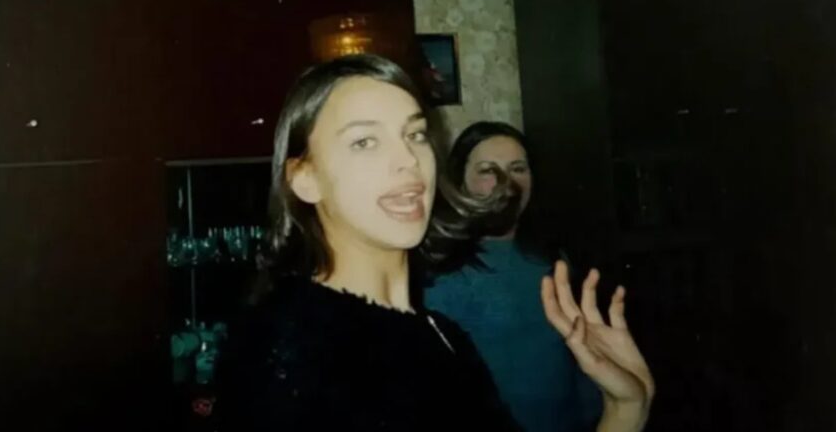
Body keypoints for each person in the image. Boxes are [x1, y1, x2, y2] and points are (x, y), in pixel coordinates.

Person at [215, 55, 654, 432]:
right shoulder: (285, 352)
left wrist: (626, 407)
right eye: (365, 141)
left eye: (416, 134)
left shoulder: (442, 335)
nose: (408, 159)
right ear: (304, 178)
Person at [425, 122, 604, 432]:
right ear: (459, 183)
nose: (506, 182)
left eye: (518, 168)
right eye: (487, 170)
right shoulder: (441, 272)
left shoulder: (552, 257)